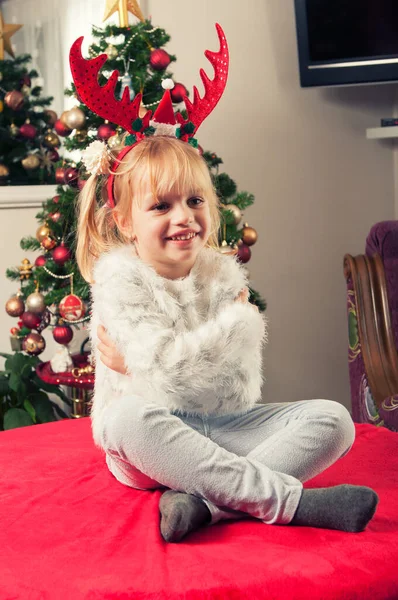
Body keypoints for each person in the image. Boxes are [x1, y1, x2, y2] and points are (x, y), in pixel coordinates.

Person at [71, 25, 379, 544]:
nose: (183, 217)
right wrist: (233, 327)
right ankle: (288, 502)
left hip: (220, 430)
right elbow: (169, 385)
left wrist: (177, 358)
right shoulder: (121, 282)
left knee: (333, 420)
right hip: (151, 445)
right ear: (125, 221)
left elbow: (238, 389)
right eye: (161, 206)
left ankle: (206, 505)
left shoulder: (222, 276)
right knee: (126, 418)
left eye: (194, 201)